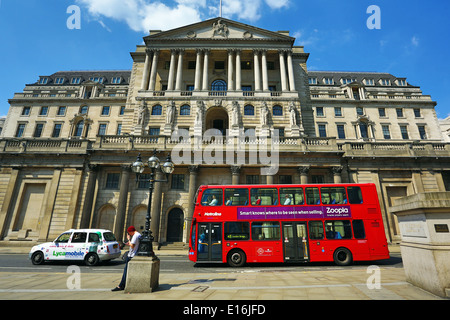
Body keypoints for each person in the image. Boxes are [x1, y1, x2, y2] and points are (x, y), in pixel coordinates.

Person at [112, 226, 141, 291]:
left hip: (131, 255)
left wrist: (128, 239)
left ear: (131, 231)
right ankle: (122, 285)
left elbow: (132, 246)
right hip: (134, 254)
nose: (129, 234)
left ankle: (121, 285)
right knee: (128, 271)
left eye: (129, 233)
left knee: (126, 272)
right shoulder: (139, 234)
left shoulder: (135, 236)